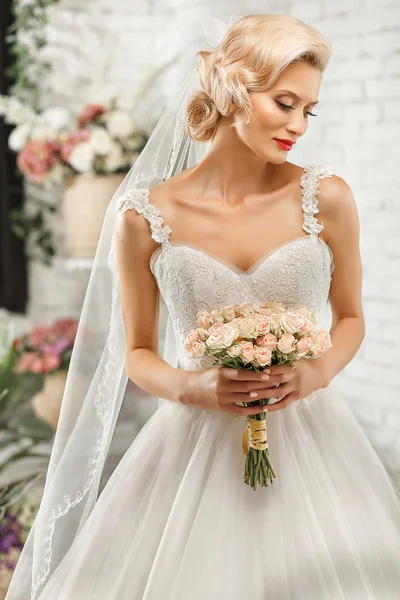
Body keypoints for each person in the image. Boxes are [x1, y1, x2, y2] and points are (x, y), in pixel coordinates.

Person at [5, 13, 400, 600]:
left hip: (313, 435)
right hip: (191, 438)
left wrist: (314, 370)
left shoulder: (328, 197)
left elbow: (350, 318)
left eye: (308, 110)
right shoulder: (142, 217)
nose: (299, 125)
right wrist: (194, 387)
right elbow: (135, 350)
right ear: (235, 91)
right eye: (284, 102)